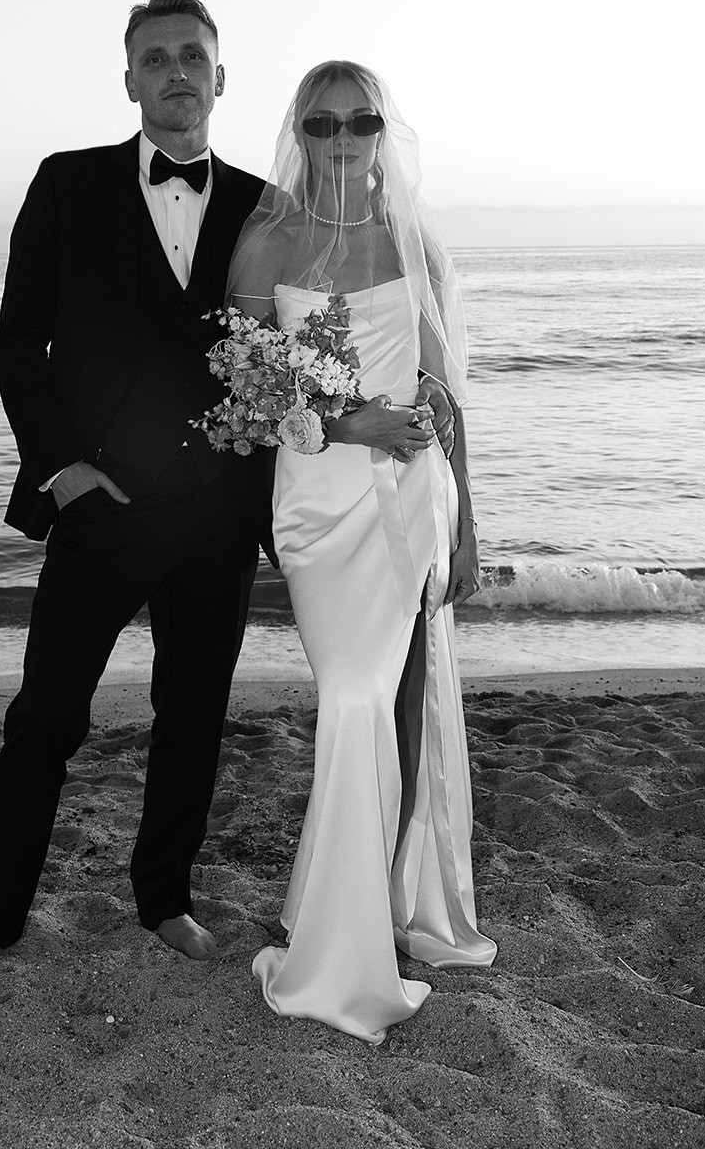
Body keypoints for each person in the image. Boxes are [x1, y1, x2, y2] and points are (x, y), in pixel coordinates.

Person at [0, 0, 270, 997]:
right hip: (102, 503)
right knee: (45, 714)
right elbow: (17, 341)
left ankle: (162, 897)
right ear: (128, 80)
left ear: (219, 75)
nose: (175, 72)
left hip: (215, 508)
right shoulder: (66, 185)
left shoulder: (260, 204)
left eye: (192, 56)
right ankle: (1, 909)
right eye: (155, 57)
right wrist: (63, 468)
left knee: (193, 712)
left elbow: (289, 350)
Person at [228, 60, 497, 1045]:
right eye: (323, 122)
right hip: (316, 507)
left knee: (381, 705)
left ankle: (342, 920)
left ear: (382, 128)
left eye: (360, 120)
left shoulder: (410, 237)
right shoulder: (268, 240)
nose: (342, 138)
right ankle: (334, 937)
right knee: (350, 696)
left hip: (409, 503)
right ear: (299, 132)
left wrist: (466, 524)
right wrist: (354, 422)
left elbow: (444, 396)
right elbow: (249, 398)